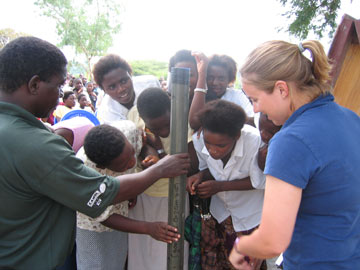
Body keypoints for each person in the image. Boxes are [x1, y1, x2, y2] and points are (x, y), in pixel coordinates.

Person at [0, 36, 190, 270]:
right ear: (35, 84)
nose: (60, 93)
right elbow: (101, 194)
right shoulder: (37, 144)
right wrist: (161, 169)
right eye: (58, 86)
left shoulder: (17, 131)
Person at [229, 40, 360, 270]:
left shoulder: (290, 140)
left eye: (255, 99)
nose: (256, 110)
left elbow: (272, 241)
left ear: (282, 89)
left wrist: (243, 246)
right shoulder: (351, 119)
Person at [75, 122, 181, 270]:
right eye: (123, 164)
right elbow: (104, 216)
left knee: (117, 261)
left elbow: (143, 145)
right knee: (97, 265)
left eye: (131, 153)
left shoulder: (128, 130)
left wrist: (150, 156)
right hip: (93, 225)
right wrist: (148, 228)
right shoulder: (86, 173)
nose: (132, 163)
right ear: (102, 167)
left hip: (120, 214)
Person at [187, 99, 266, 270]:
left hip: (250, 216)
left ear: (236, 136)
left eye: (221, 145)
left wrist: (219, 186)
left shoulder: (254, 142)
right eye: (209, 144)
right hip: (221, 214)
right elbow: (210, 168)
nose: (213, 150)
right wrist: (200, 176)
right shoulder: (200, 139)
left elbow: (259, 182)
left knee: (248, 264)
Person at [127, 87, 190, 270]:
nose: (163, 131)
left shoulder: (184, 119)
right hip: (141, 192)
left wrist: (160, 151)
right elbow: (132, 148)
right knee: (141, 250)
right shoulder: (134, 114)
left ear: (172, 109)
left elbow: (189, 164)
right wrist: (146, 153)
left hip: (172, 194)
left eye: (166, 125)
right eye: (155, 128)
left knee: (170, 249)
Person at [189, 53, 254, 131]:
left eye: (221, 79)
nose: (215, 83)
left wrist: (211, 121)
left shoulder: (237, 95)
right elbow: (194, 123)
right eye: (210, 78)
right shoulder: (200, 96)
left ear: (229, 79)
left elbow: (253, 120)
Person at [93, 54, 160, 123]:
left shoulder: (150, 84)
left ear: (130, 76)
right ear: (104, 91)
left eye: (123, 81)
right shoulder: (106, 114)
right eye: (112, 87)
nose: (121, 89)